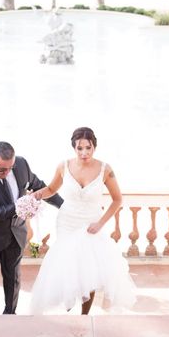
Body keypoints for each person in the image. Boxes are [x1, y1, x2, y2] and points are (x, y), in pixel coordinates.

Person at [29, 127, 137, 315]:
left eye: (88, 148)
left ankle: (84, 315)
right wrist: (37, 194)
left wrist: (100, 224)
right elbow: (52, 189)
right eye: (80, 148)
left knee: (89, 269)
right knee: (68, 265)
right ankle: (69, 310)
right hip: (67, 222)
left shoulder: (105, 169)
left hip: (91, 224)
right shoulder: (63, 166)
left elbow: (117, 199)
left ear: (94, 146)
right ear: (74, 148)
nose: (84, 152)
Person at [0, 142, 63, 314]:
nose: (7, 173)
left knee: (13, 277)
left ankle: (10, 314)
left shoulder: (21, 165)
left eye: (10, 168)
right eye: (2, 169)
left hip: (15, 233)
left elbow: (40, 187)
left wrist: (64, 206)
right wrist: (21, 205)